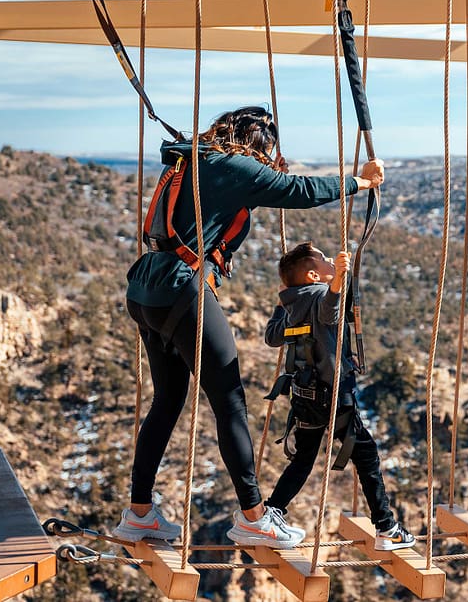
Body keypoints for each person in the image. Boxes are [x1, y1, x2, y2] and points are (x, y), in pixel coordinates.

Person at [113, 106, 383, 549]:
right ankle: (255, 518)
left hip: (146, 288)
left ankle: (139, 514)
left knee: (167, 400)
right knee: (230, 403)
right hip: (183, 288)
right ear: (257, 141)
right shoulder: (228, 165)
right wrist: (360, 181)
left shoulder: (196, 158)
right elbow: (298, 191)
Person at [263, 242, 415, 551]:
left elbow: (272, 336)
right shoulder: (321, 295)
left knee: (304, 458)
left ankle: (273, 509)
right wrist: (336, 284)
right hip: (334, 395)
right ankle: (386, 526)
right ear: (313, 275)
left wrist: (286, 297)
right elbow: (329, 312)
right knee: (367, 455)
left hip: (305, 396)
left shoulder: (291, 303)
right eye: (323, 259)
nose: (330, 259)